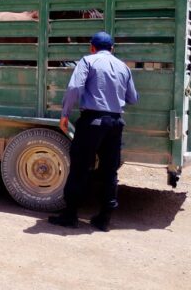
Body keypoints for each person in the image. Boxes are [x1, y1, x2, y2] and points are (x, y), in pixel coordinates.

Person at [48, 31, 138, 231]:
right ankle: (104, 218)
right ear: (112, 49)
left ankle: (70, 215)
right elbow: (133, 98)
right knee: (109, 171)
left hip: (92, 122)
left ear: (92, 47)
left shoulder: (88, 61)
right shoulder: (124, 67)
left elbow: (74, 88)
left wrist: (65, 113)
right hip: (115, 123)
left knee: (80, 167)